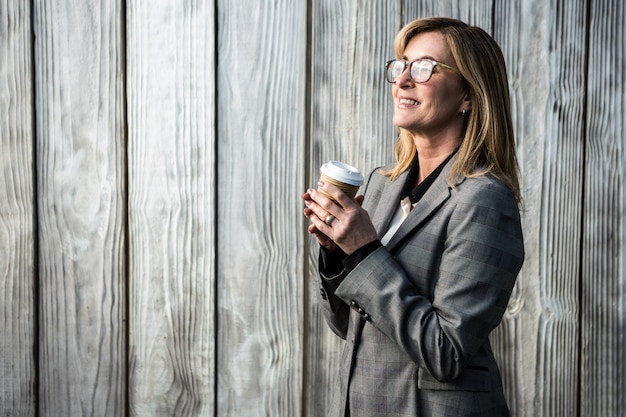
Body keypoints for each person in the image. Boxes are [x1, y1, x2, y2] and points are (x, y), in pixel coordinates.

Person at [301, 17, 524, 417]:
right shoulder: (384, 186)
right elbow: (348, 328)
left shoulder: (486, 200)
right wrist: (339, 255)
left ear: (468, 96)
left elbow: (447, 353)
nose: (403, 80)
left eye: (424, 67)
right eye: (401, 65)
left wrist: (365, 252)